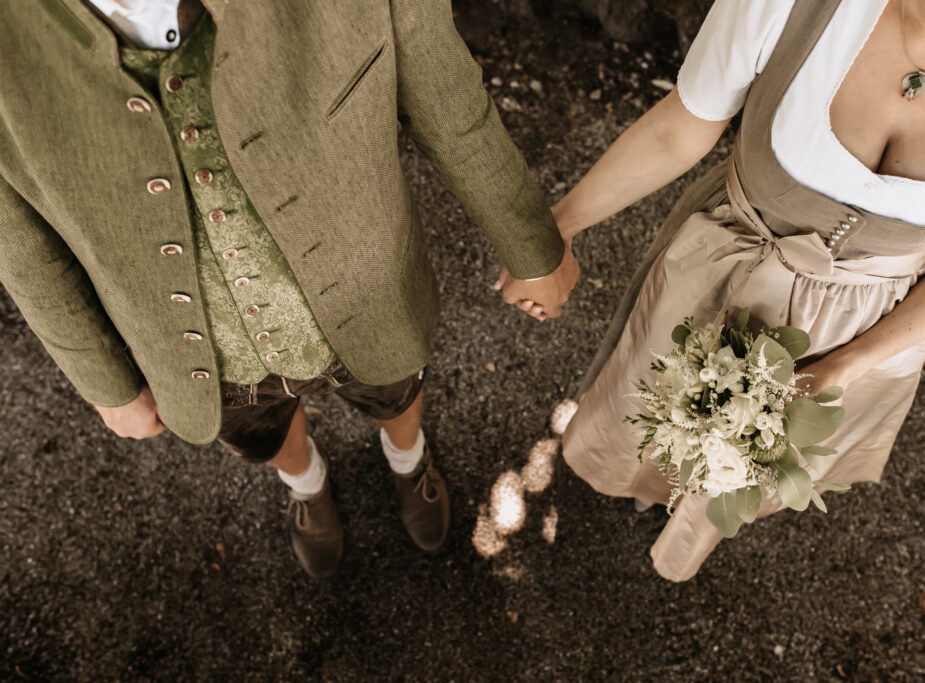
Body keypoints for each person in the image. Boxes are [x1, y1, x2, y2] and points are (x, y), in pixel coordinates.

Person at [0, 0, 578, 579]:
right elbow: (16, 240)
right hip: (206, 357)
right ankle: (308, 485)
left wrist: (533, 248)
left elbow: (444, 90)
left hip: (371, 293)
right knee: (263, 434)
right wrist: (103, 382)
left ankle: (409, 460)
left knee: (396, 396)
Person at [505, 0, 925, 581]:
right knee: (652, 401)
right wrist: (556, 234)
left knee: (755, 462)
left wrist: (847, 365)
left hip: (866, 331)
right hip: (717, 272)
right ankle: (644, 486)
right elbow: (682, 125)